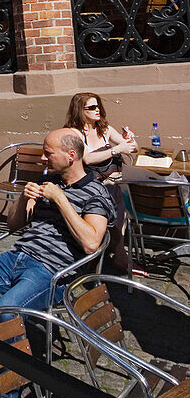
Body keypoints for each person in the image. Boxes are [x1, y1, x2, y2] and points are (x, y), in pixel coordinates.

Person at [0, 129, 115, 329]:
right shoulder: (46, 181)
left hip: (52, 272)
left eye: (48, 153)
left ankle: (1, 352)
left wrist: (59, 199)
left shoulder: (96, 193)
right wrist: (23, 198)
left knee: (6, 310)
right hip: (16, 257)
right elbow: (13, 226)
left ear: (71, 156)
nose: (42, 158)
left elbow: (91, 244)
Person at [65, 92, 137, 271]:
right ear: (79, 111)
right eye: (91, 107)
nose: (97, 110)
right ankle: (107, 255)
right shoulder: (74, 133)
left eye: (98, 106)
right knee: (115, 206)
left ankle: (117, 253)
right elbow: (87, 159)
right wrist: (116, 150)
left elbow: (131, 148)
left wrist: (130, 141)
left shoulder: (104, 129)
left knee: (121, 206)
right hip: (90, 187)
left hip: (113, 184)